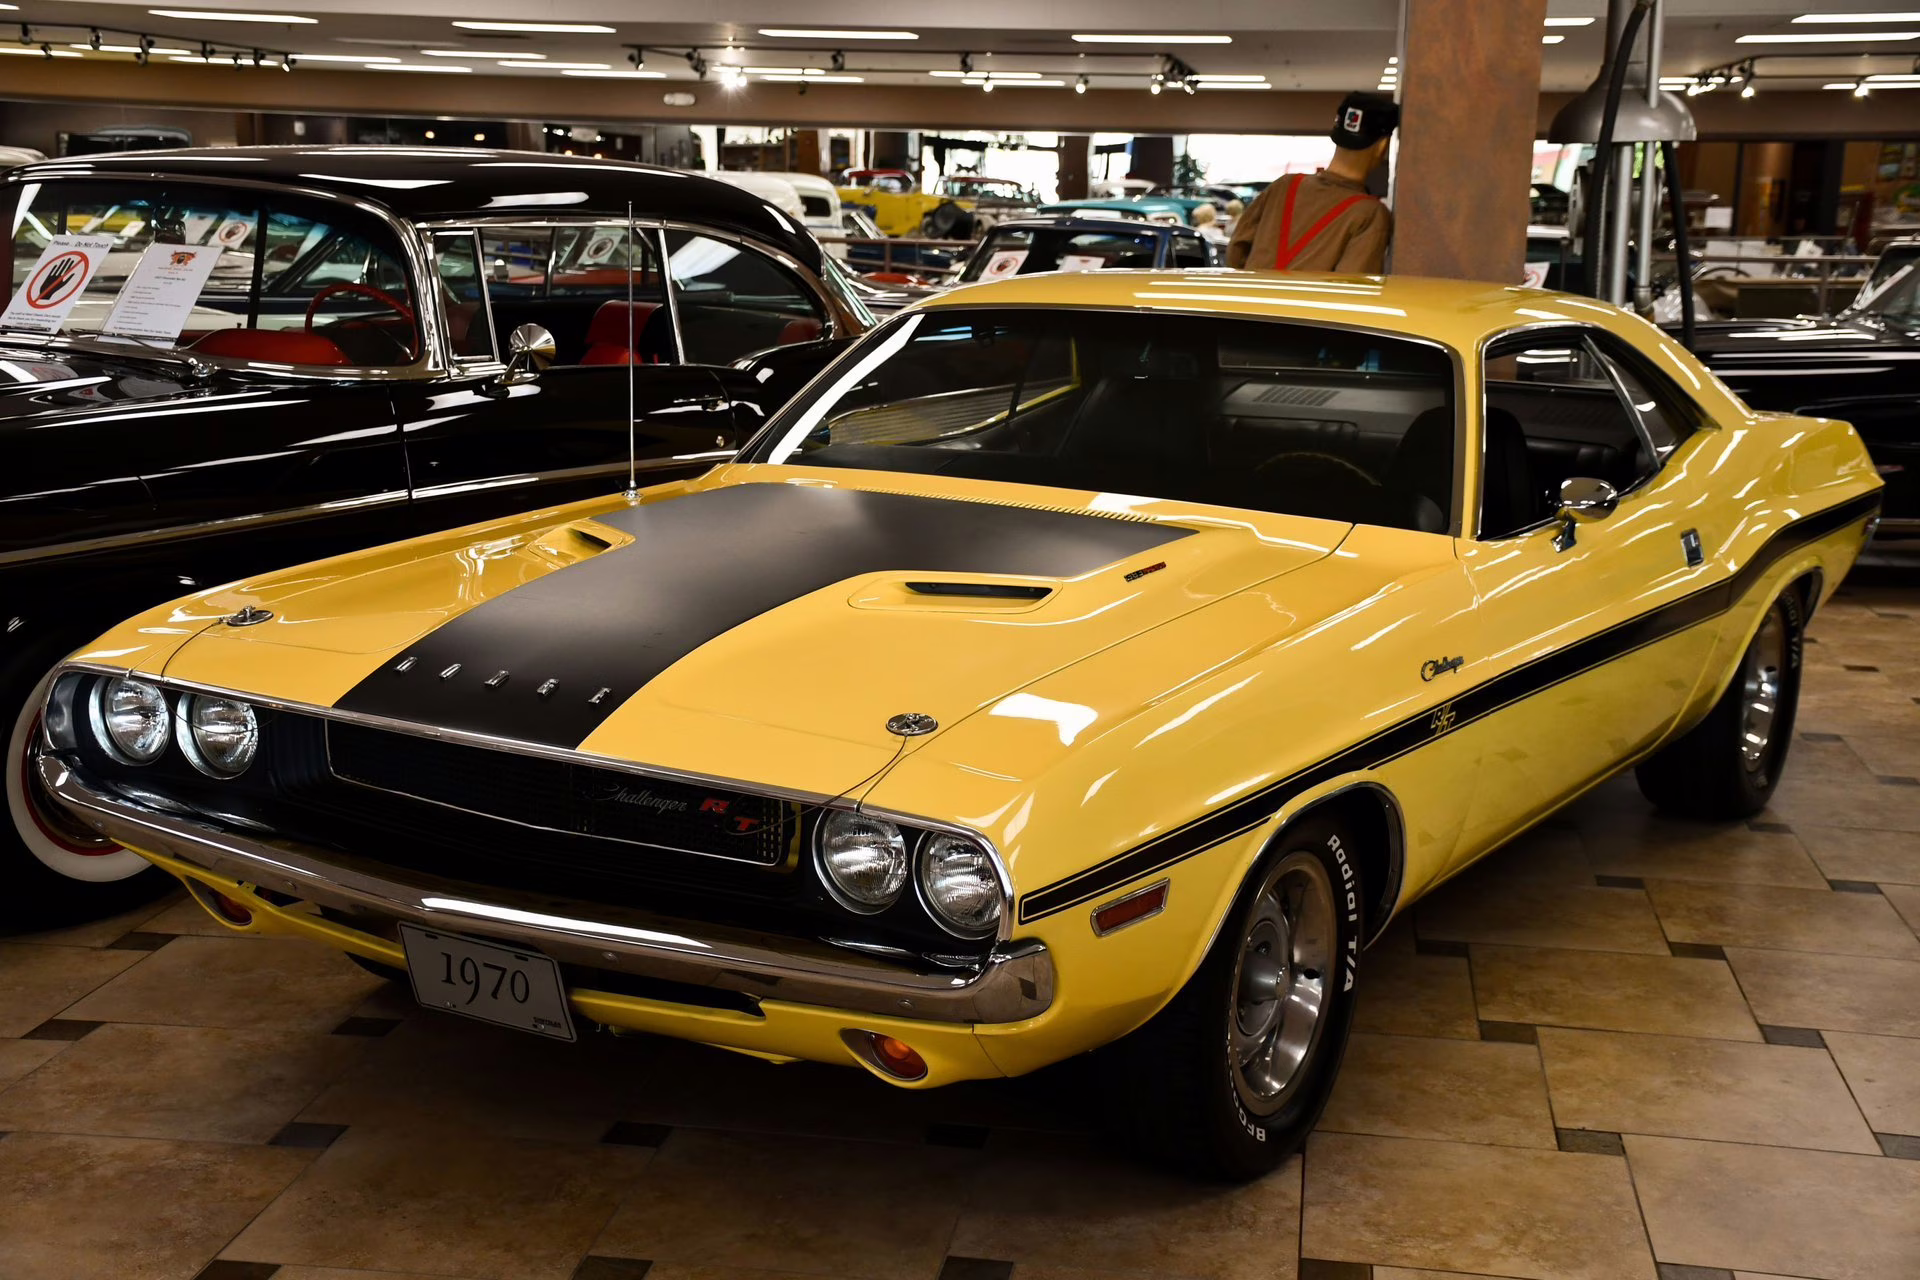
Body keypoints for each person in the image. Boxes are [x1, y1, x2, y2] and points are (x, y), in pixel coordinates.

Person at [1227, 91, 1398, 274]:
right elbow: (1352, 288)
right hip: (1307, 303)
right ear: (1382, 146)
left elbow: (1236, 251)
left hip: (1251, 300)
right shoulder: (1370, 215)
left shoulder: (1284, 185)